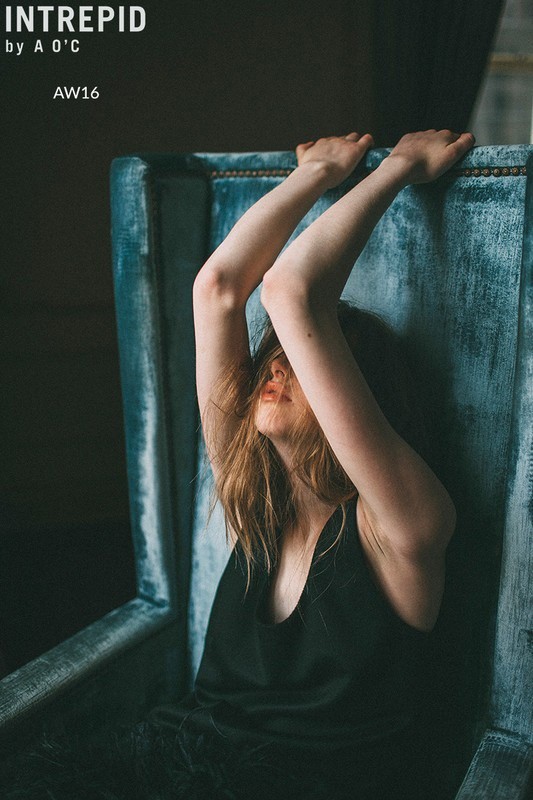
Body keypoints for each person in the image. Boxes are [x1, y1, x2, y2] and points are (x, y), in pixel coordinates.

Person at [2, 129, 474, 800]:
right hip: (175, 768)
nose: (273, 368)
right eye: (271, 358)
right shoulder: (254, 502)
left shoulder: (404, 527)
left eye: (298, 359)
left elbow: (292, 291)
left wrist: (398, 166)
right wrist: (315, 173)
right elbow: (218, 290)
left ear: (353, 393)